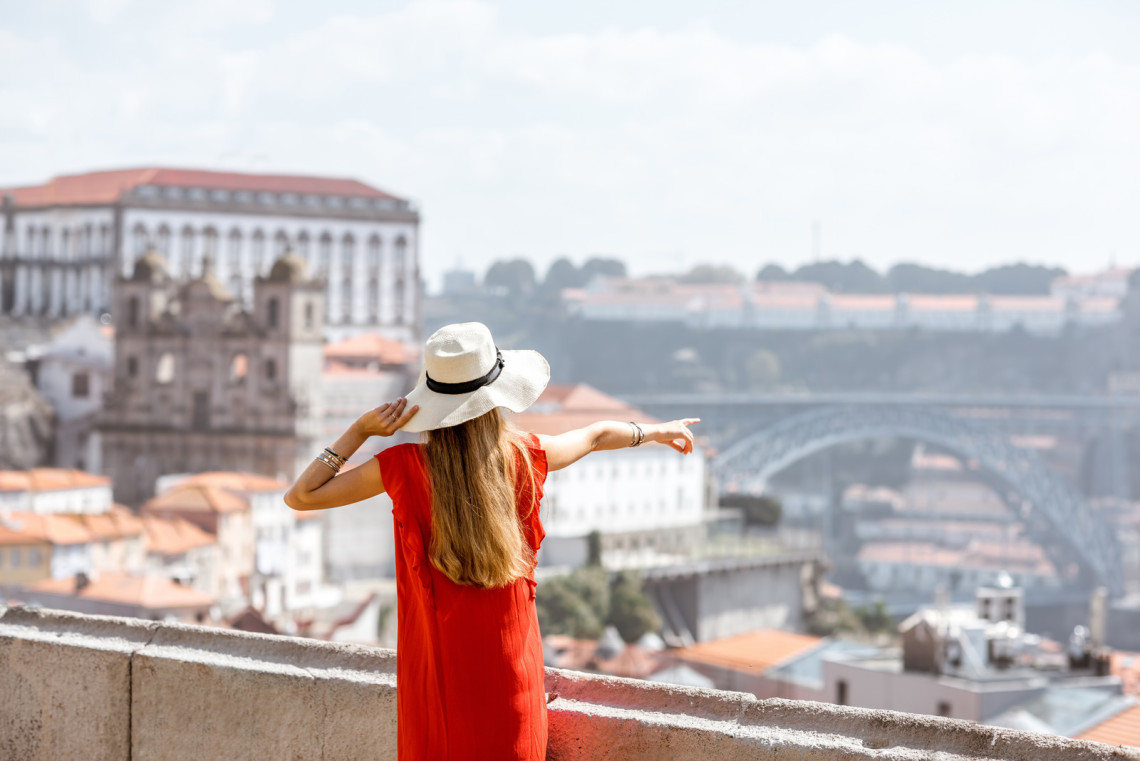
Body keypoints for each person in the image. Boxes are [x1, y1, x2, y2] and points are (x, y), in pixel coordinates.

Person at [285, 322, 699, 761]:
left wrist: (362, 429)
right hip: (512, 683)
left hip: (436, 690)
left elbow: (302, 495)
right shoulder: (526, 457)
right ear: (496, 398)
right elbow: (596, 435)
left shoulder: (403, 467)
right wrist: (653, 431)